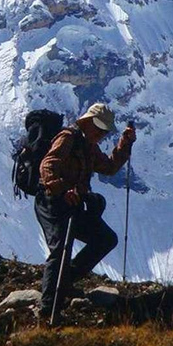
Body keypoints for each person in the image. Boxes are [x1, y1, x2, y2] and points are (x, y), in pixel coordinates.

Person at [35, 102, 136, 318]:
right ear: (88, 123)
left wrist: (124, 144)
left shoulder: (88, 146)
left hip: (72, 202)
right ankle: (47, 308)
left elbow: (108, 167)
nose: (101, 134)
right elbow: (47, 165)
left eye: (104, 131)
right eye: (99, 129)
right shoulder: (68, 138)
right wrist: (62, 190)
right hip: (52, 201)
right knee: (60, 248)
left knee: (105, 239)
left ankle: (64, 281)